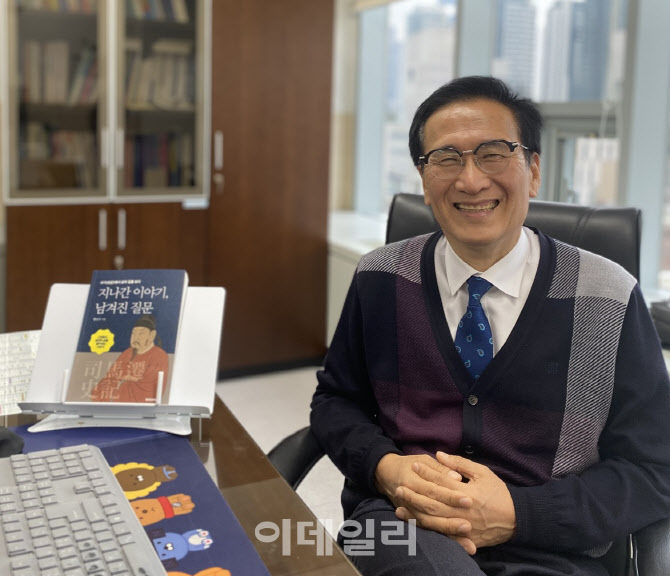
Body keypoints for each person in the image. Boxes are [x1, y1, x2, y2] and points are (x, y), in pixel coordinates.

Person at [310, 76, 670, 575]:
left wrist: (518, 514)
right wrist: (386, 468)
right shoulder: (381, 277)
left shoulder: (607, 296)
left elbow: (654, 470)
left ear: (534, 171)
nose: (471, 180)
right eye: (446, 158)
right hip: (399, 526)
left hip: (554, 547)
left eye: (493, 154)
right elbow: (335, 401)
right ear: (424, 179)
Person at [91, 314, 169, 403]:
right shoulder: (127, 353)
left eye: (141, 334)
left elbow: (150, 384)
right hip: (118, 402)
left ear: (152, 335)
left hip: (140, 402)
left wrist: (126, 379)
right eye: (133, 333)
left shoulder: (160, 355)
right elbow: (111, 375)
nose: (135, 338)